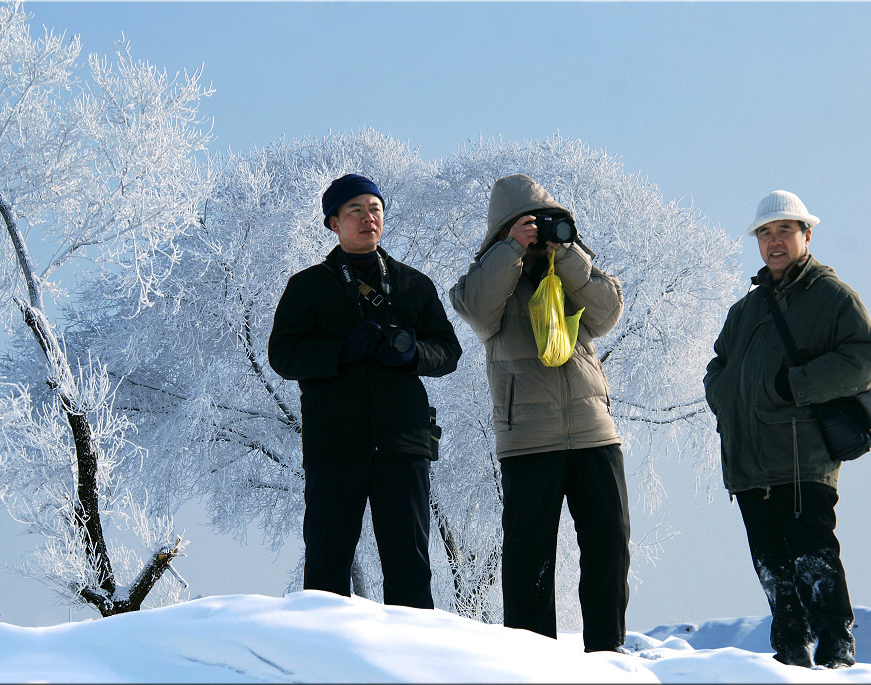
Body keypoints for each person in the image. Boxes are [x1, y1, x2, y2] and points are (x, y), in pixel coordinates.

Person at [449, 174, 630, 650]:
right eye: (526, 225)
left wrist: (565, 254)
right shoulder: (484, 280)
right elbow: (479, 310)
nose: (537, 233)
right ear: (503, 230)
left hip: (594, 433)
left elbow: (607, 313)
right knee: (530, 557)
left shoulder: (570, 270)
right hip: (528, 439)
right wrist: (510, 250)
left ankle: (608, 655)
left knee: (609, 549)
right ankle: (531, 661)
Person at [703, 190, 871, 669]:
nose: (774, 241)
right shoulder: (745, 310)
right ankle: (790, 660)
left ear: (806, 234)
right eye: (765, 232)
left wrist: (792, 385)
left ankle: (837, 656)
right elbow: (716, 366)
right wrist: (724, 398)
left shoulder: (830, 296)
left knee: (813, 561)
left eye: (784, 230)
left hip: (802, 458)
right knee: (773, 573)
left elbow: (861, 358)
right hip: (748, 464)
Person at [268, 173, 462, 609]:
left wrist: (413, 354)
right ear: (333, 223)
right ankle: (323, 664)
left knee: (410, 564)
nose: (368, 218)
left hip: (403, 443)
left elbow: (449, 352)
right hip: (335, 445)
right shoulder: (308, 286)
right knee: (326, 563)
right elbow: (282, 354)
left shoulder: (413, 284)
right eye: (355, 210)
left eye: (374, 209)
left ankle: (411, 665)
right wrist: (341, 352)